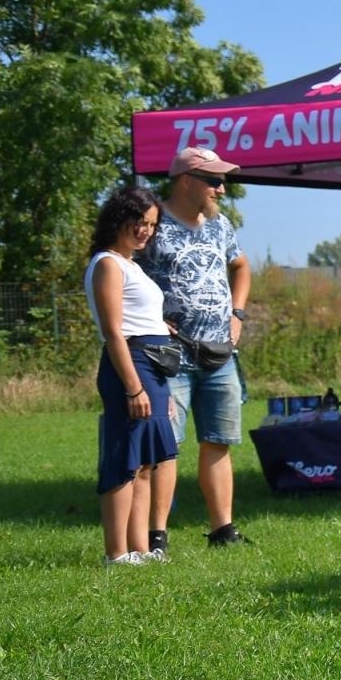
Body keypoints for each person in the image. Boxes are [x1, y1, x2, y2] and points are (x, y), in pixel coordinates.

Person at [137, 147, 252, 550]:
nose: (221, 188)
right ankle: (156, 536)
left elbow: (240, 266)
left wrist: (237, 315)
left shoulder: (220, 225)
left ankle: (223, 530)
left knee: (218, 441)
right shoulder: (151, 223)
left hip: (219, 353)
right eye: (214, 180)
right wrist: (147, 318)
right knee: (165, 446)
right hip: (168, 358)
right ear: (187, 181)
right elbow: (121, 270)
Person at [83, 186, 178, 565]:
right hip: (131, 367)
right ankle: (116, 553)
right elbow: (113, 332)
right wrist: (134, 386)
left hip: (152, 367)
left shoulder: (132, 264)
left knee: (144, 464)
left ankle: (139, 548)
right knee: (124, 460)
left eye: (151, 224)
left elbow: (139, 317)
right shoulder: (108, 263)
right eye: (139, 221)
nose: (145, 231)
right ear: (117, 219)